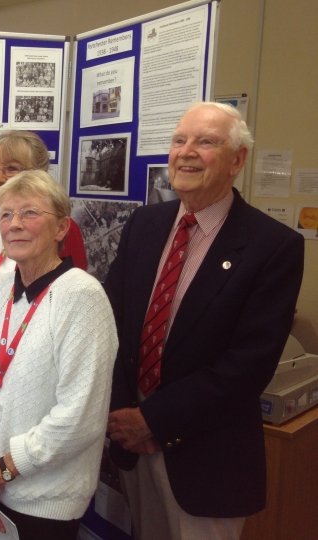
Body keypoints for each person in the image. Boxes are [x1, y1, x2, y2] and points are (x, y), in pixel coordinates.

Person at [104, 102, 304, 540]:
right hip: (132, 442)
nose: (187, 152)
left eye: (206, 141)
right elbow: (112, 321)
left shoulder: (274, 247)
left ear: (238, 160)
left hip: (206, 457)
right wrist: (124, 415)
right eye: (180, 140)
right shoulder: (145, 223)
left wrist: (152, 420)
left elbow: (246, 366)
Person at [0, 170, 117, 539]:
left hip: (43, 500)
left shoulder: (82, 297)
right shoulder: (2, 285)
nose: (14, 225)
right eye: (6, 215)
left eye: (30, 213)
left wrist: (0, 471)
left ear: (62, 228)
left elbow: (80, 418)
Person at [0, 130, 88, 379]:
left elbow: (70, 316)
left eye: (11, 168)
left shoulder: (60, 232)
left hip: (28, 384)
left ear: (37, 175)